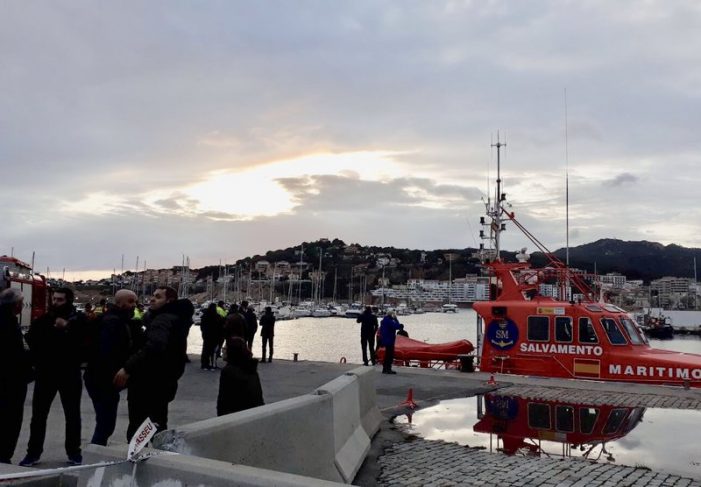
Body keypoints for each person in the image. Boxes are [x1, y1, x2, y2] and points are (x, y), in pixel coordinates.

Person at [113, 286, 190, 440]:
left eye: (158, 296)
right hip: (164, 383)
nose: (152, 299)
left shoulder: (163, 319)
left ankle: (137, 459)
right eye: (153, 295)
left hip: (148, 383)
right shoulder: (177, 318)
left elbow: (154, 346)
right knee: (158, 424)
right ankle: (156, 459)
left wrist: (128, 368)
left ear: (169, 301)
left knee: (138, 426)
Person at [21, 287, 87, 466]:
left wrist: (67, 328)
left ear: (69, 301)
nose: (56, 303)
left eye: (60, 300)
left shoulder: (79, 320)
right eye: (54, 299)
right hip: (46, 374)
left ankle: (74, 453)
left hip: (69, 374)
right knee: (38, 416)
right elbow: (32, 341)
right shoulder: (43, 320)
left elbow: (85, 344)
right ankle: (33, 453)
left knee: (72, 415)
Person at [83, 289, 142, 446]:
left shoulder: (116, 320)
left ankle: (95, 452)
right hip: (102, 380)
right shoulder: (113, 322)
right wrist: (120, 373)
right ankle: (93, 456)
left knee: (105, 422)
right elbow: (107, 352)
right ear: (119, 303)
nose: (134, 305)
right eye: (130, 301)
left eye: (135, 301)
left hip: (98, 378)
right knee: (105, 424)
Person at [0, 289, 33, 464]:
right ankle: (4, 458)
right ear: (17, 305)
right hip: (11, 384)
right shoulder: (8, 325)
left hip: (10, 381)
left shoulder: (8, 321)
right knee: (10, 422)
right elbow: (16, 355)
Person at [217, 337, 264, 416]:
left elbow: (223, 401)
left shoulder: (228, 371)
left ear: (231, 351)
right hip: (253, 414)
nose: (222, 350)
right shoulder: (252, 369)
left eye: (225, 348)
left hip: (235, 415)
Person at [200, 303, 222, 370]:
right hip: (214, 336)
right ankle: (213, 364)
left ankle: (204, 364)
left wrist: (204, 333)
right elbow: (220, 327)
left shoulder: (205, 315)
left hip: (207, 335)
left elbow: (202, 326)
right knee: (213, 351)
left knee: (206, 350)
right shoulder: (217, 316)